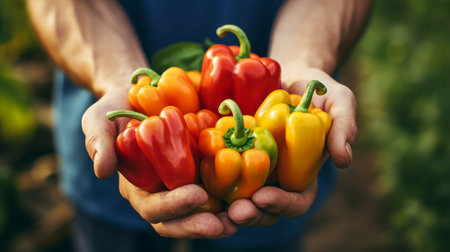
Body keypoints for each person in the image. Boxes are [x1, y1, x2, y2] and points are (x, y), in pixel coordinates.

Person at [27, 0, 371, 251]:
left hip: (269, 179)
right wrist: (118, 80)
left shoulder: (266, 126)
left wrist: (302, 63)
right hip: (119, 159)